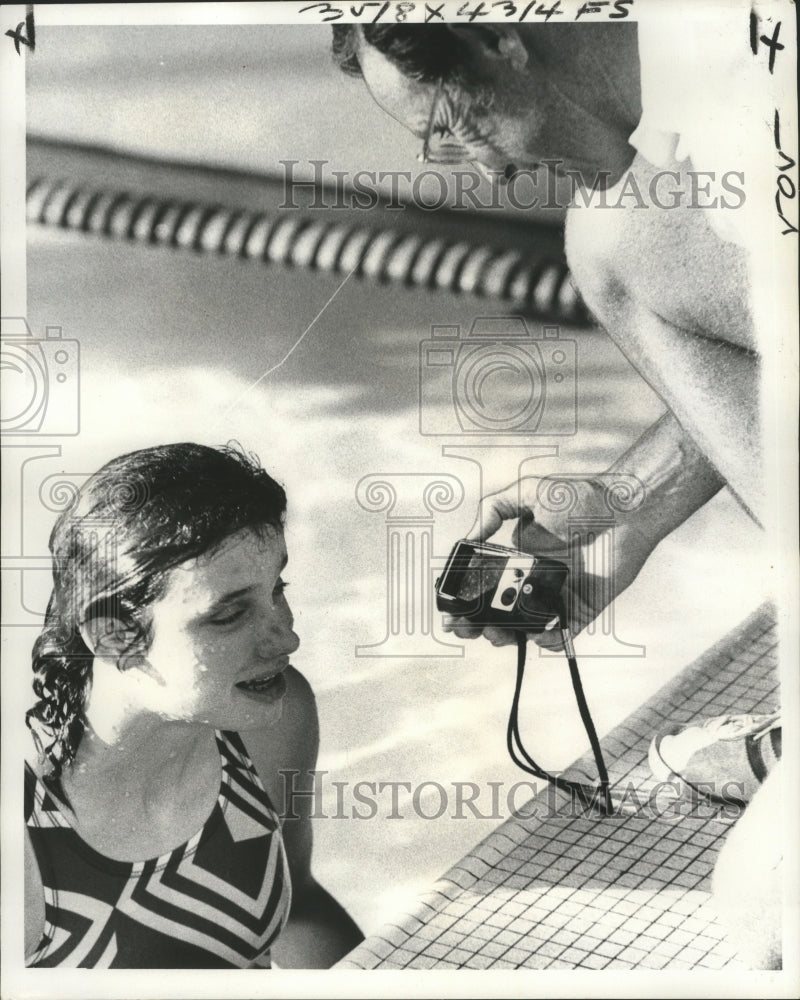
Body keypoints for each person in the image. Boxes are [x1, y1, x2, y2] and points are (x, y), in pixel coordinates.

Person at [330, 16, 787, 969]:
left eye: (458, 122)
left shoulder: (663, 200)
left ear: (507, 39)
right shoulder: (717, 81)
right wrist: (623, 508)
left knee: (763, 922)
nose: (486, 176)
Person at [24, 442, 363, 968]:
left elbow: (299, 910)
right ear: (116, 637)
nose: (285, 639)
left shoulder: (266, 722)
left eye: (278, 589)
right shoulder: (25, 841)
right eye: (229, 615)